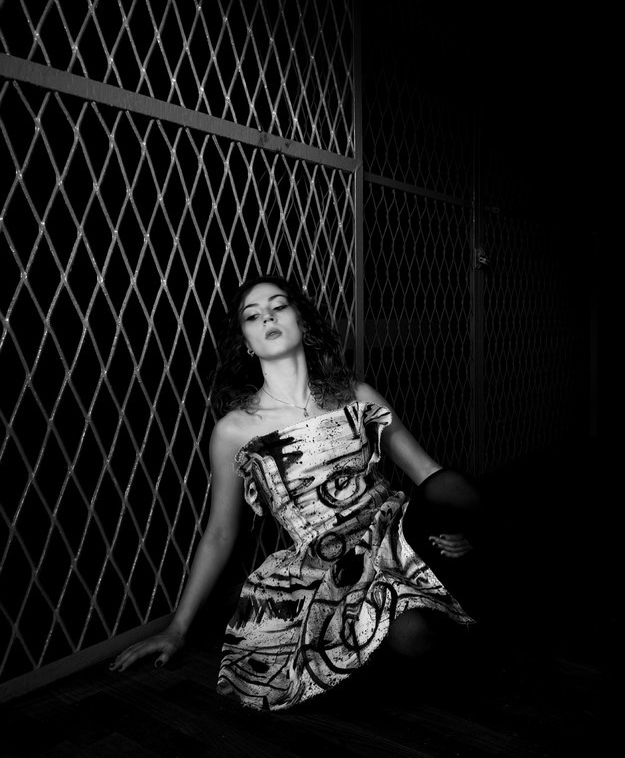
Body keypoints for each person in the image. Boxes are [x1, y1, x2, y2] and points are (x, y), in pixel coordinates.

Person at [110, 274, 482, 710]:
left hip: (398, 532)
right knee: (415, 638)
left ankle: (481, 554)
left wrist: (465, 531)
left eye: (278, 306)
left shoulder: (356, 395)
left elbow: (429, 475)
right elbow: (221, 533)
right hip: (330, 566)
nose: (267, 317)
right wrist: (178, 627)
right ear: (247, 343)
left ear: (302, 322)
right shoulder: (235, 430)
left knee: (445, 492)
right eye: (253, 316)